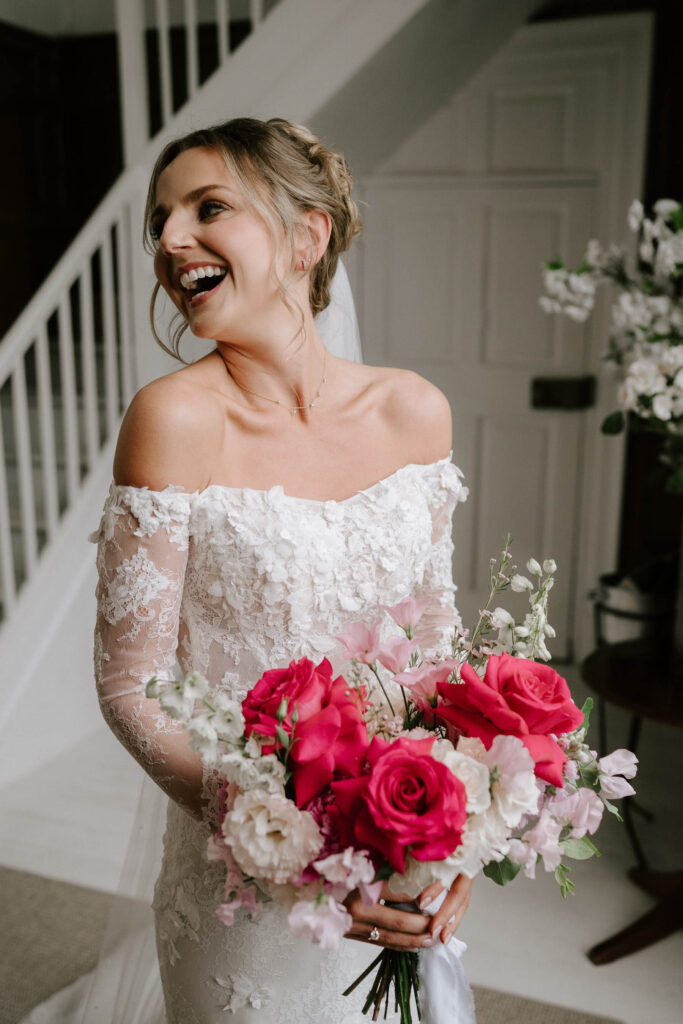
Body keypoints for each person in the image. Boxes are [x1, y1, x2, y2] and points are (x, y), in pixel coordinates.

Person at [91, 116, 474, 1023]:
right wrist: (295, 851)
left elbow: (436, 649)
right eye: (160, 222)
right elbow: (130, 688)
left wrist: (452, 838)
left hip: (399, 851)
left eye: (207, 207)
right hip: (244, 876)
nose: (170, 240)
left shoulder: (414, 411)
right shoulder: (173, 420)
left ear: (308, 236)